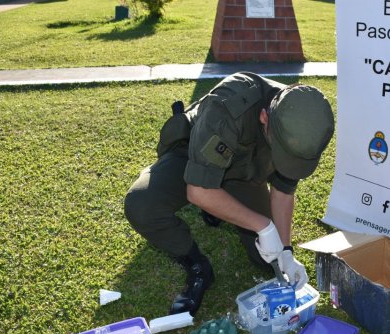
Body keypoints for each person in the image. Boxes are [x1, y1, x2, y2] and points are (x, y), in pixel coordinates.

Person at [124, 72, 334, 316]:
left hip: (245, 172)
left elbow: (283, 191)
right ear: (264, 117)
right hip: (195, 159)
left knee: (268, 259)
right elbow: (199, 190)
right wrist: (264, 226)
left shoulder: (303, 123)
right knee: (142, 204)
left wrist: (286, 250)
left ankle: (222, 209)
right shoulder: (227, 106)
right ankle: (197, 266)